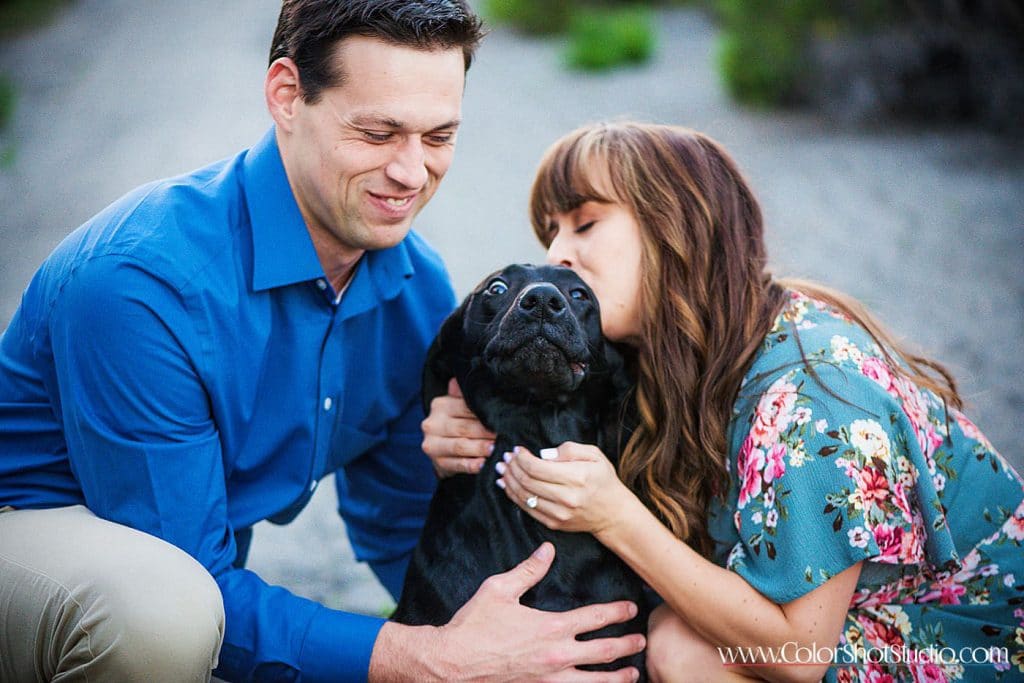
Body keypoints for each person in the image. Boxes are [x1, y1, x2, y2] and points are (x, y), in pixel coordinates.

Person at [0, 4, 646, 682]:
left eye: (439, 136)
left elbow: (405, 520)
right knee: (162, 614)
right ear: (287, 95)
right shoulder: (142, 284)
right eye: (377, 131)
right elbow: (189, 567)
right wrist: (421, 657)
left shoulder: (412, 283)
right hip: (30, 527)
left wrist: (515, 640)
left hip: (159, 566)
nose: (410, 172)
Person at [423, 121, 1024, 682]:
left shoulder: (812, 393)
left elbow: (800, 655)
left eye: (584, 224)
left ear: (675, 227)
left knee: (678, 646)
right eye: (549, 233)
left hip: (976, 641)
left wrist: (615, 517)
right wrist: (466, 421)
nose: (557, 256)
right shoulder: (685, 345)